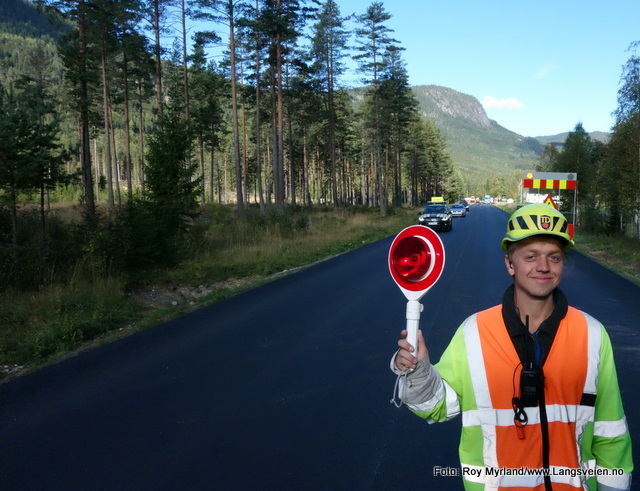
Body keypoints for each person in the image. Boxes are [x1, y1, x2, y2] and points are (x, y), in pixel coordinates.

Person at [390, 204, 633, 490]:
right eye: (531, 256)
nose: (543, 266)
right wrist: (419, 373)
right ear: (509, 263)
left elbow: (610, 431)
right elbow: (438, 406)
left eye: (553, 257)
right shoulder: (474, 332)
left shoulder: (592, 334)